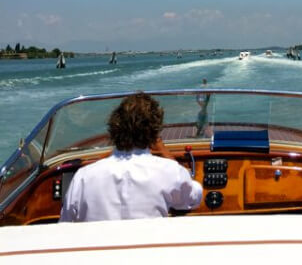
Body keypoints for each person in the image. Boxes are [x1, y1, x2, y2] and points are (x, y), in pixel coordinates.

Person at [60, 92, 203, 222]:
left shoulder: (83, 177)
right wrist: (164, 151)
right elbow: (193, 199)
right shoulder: (170, 171)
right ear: (154, 133)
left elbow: (66, 223)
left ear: (113, 129)